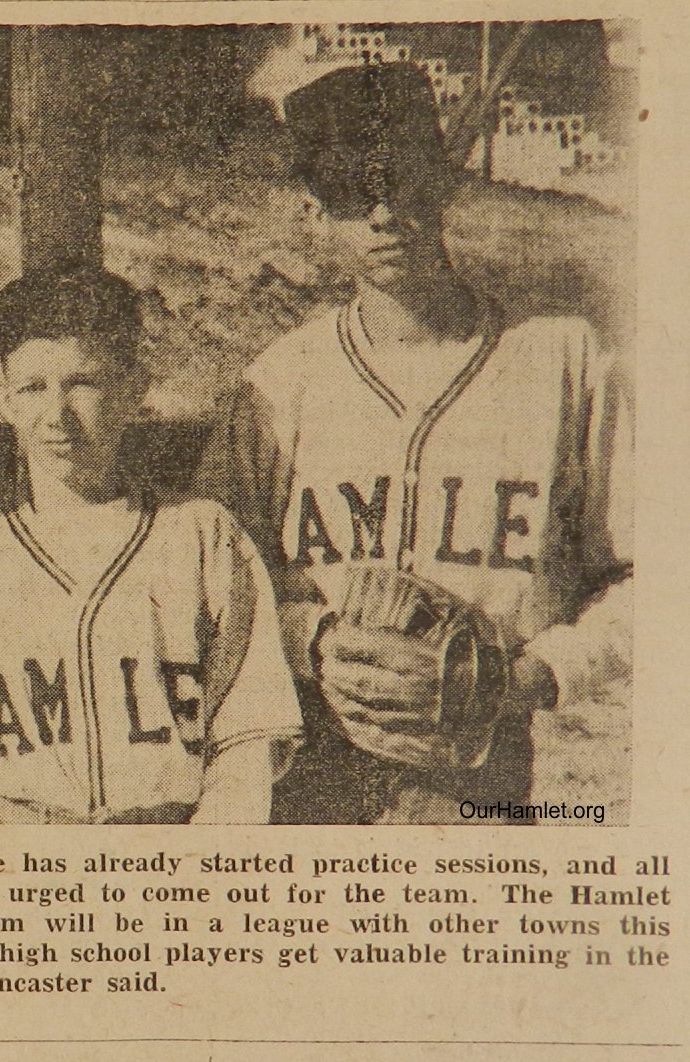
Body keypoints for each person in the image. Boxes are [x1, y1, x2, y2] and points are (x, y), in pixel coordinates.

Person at [202, 63, 632, 824]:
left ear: (443, 182)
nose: (381, 214)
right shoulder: (281, 381)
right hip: (309, 753)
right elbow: (206, 574)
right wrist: (313, 639)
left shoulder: (561, 361)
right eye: (348, 192)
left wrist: (532, 676)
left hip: (482, 754)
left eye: (399, 180)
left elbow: (651, 578)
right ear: (313, 209)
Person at [0, 267, 302, 824]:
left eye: (83, 383)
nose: (57, 415)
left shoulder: (202, 536)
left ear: (134, 391)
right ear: (4, 401)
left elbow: (246, 743)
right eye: (32, 388)